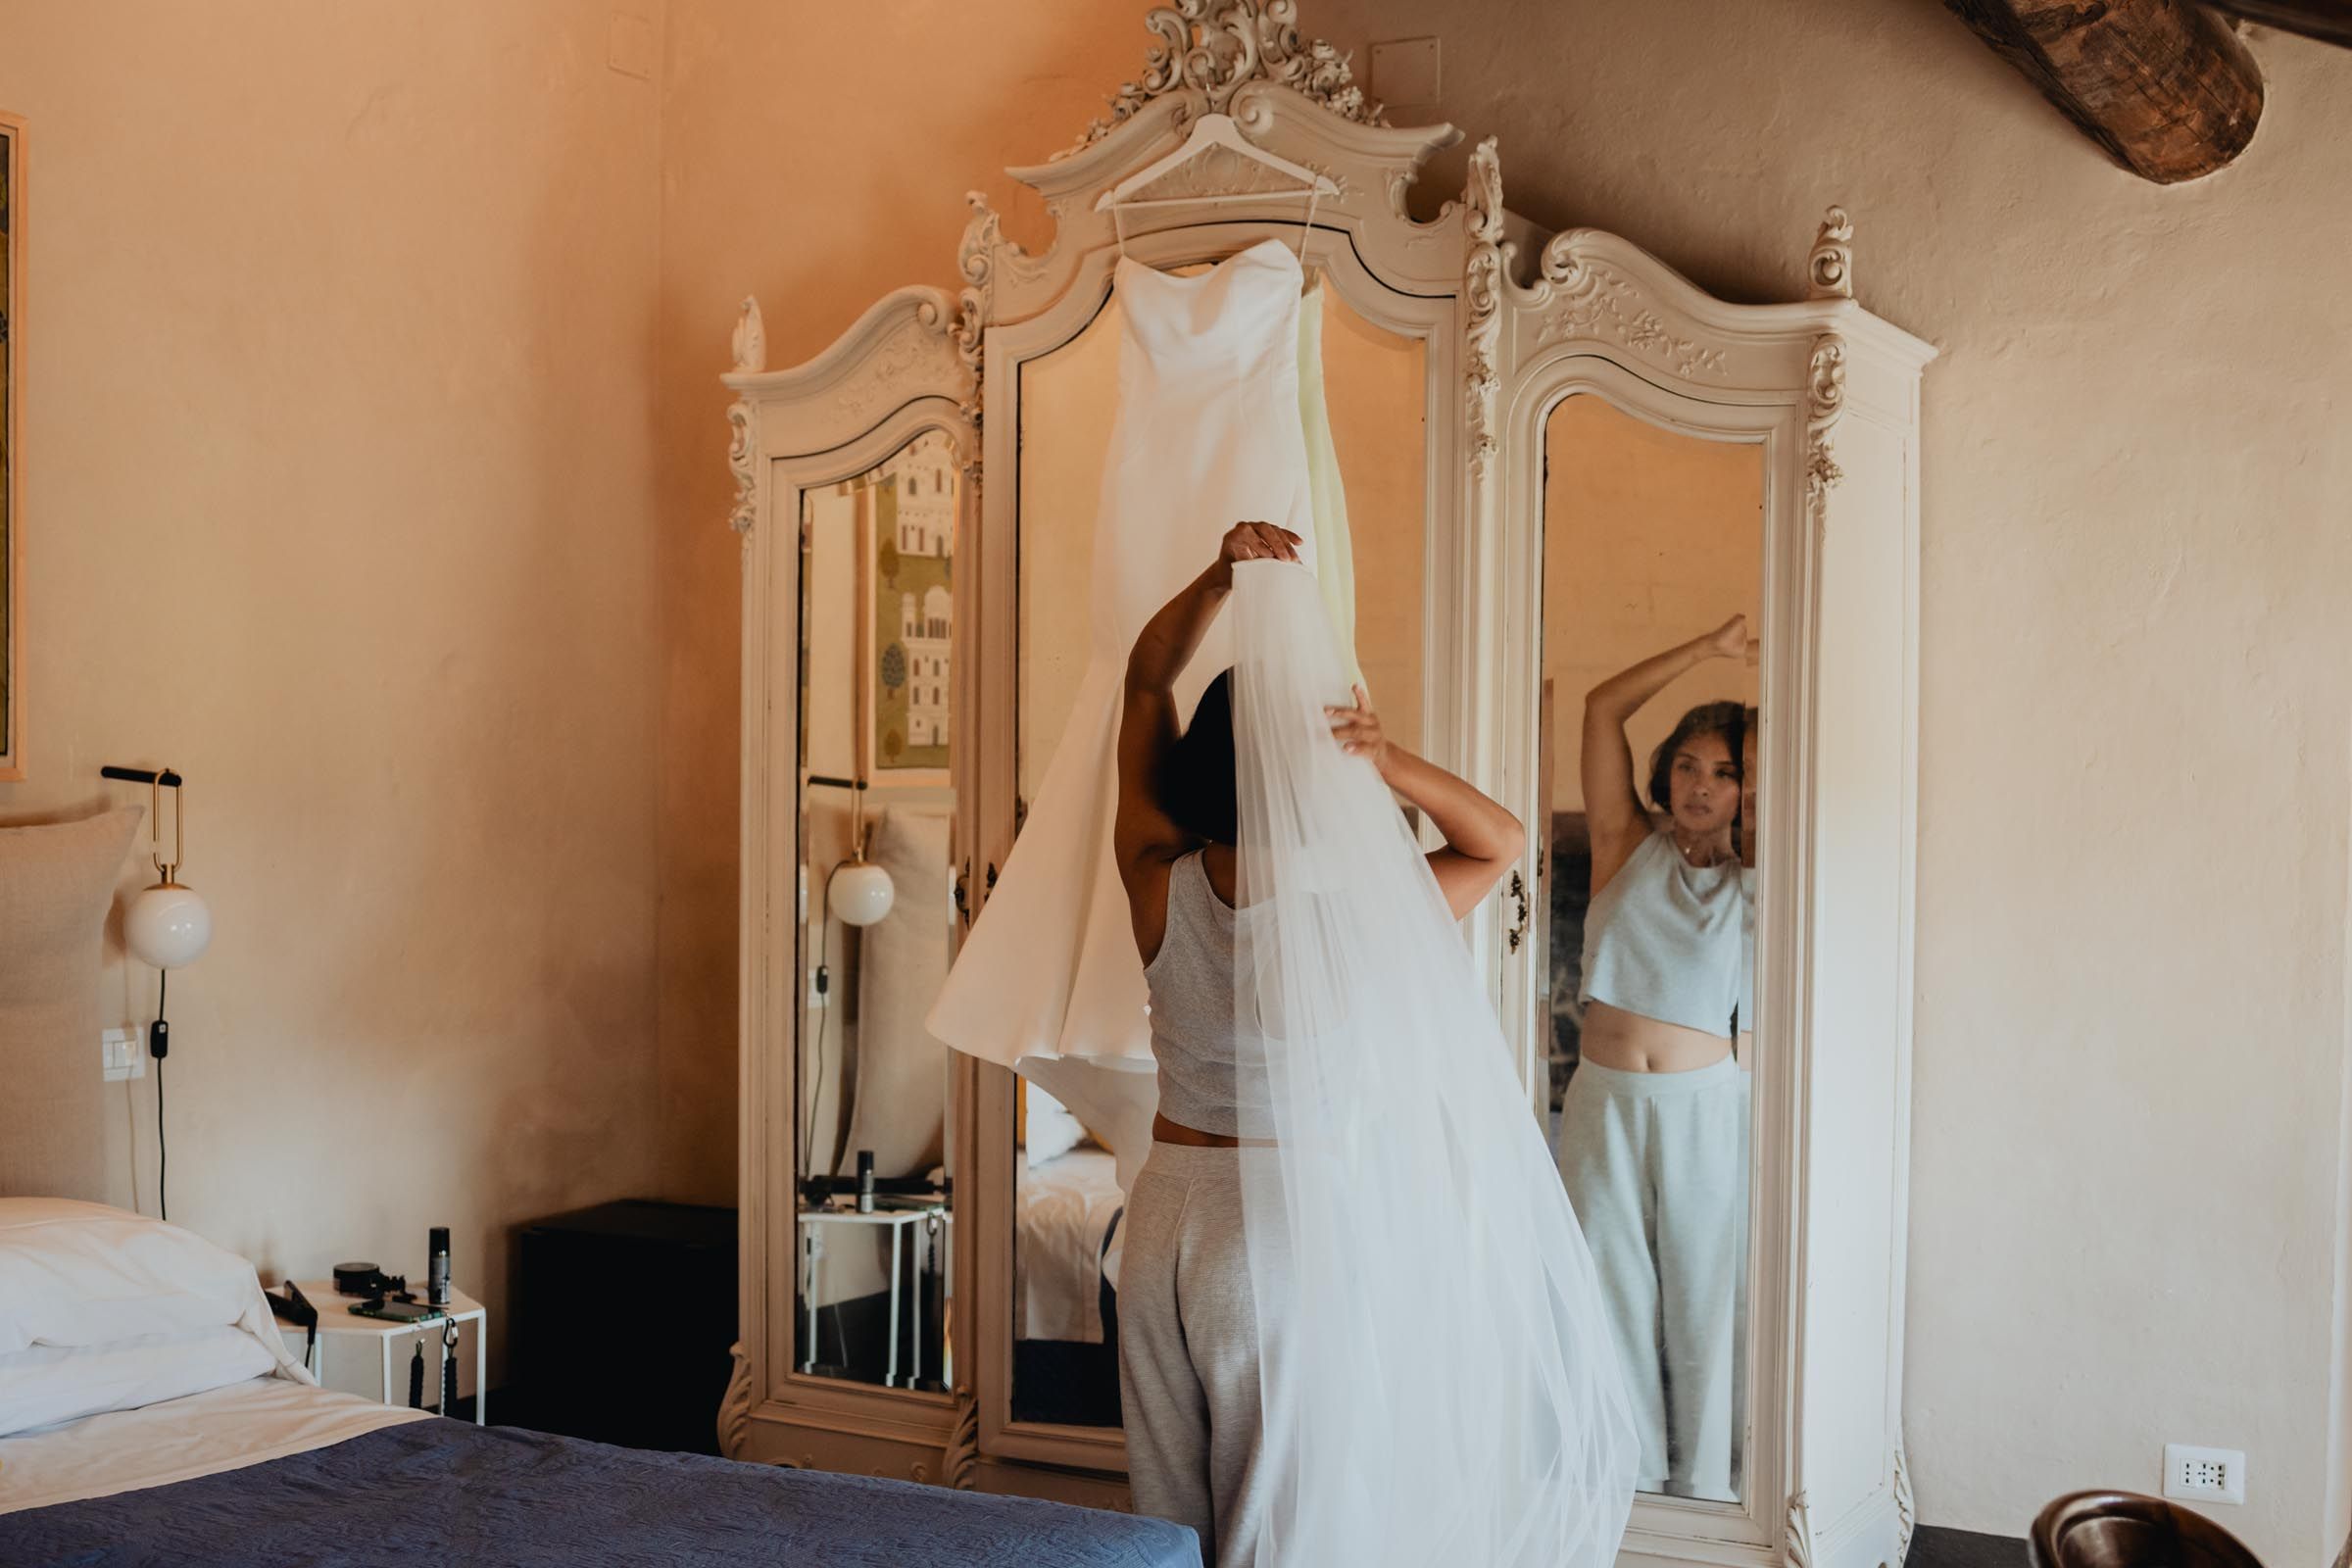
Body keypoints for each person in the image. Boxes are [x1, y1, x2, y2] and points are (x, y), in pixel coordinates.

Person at [1108, 520, 1526, 1567]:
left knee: (1167, 1513)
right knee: (1274, 1520)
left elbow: (1145, 683)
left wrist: (1218, 577)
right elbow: (1501, 841)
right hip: (1277, 1230)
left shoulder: (1155, 874)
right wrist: (1386, 758)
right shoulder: (1356, 915)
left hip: (1159, 1215)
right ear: (1314, 773)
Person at [1556, 616, 1756, 1501]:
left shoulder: (1761, 874)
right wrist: (1707, 648)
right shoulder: (1622, 844)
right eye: (1687, 764)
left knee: (1704, 1297)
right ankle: (1631, 1481)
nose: (1700, 785)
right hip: (1600, 1099)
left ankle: (1705, 1487)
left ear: (1750, 788)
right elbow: (1603, 708)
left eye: (1723, 772)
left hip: (1704, 1109)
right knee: (1610, 1293)